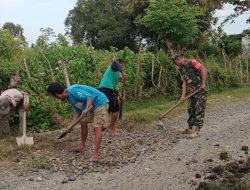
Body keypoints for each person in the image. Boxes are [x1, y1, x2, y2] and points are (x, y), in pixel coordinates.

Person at [47, 83, 109, 163]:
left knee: (97, 127)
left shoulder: (73, 91)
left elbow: (90, 97)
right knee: (83, 122)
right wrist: (71, 126)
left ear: (57, 94)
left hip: (100, 102)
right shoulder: (69, 98)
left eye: (56, 97)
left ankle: (95, 156)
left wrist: (86, 109)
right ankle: (82, 147)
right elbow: (78, 111)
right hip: (91, 106)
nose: (57, 99)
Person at [172, 54, 208, 138]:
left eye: (175, 62)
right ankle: (190, 128)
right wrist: (183, 96)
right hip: (192, 92)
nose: (175, 64)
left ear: (178, 59)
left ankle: (197, 131)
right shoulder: (181, 68)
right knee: (191, 109)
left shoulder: (192, 62)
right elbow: (184, 83)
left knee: (199, 109)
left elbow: (204, 70)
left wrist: (203, 83)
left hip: (201, 90)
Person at [99, 59, 127, 133]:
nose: (122, 68)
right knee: (115, 109)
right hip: (107, 89)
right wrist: (123, 72)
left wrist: (120, 95)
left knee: (104, 108)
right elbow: (115, 62)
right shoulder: (113, 67)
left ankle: (101, 126)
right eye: (122, 66)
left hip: (103, 88)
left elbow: (113, 87)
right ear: (119, 64)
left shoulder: (115, 73)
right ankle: (112, 128)